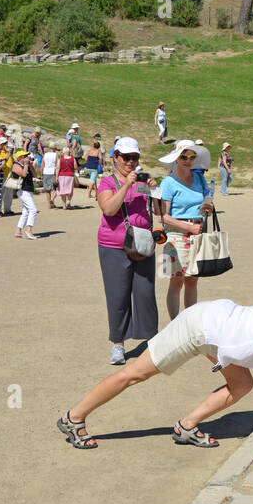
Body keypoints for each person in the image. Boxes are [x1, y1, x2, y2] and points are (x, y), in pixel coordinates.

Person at [57, 285, 253, 468]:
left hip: (218, 329)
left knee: (242, 384)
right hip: (200, 326)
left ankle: (186, 427)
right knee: (134, 374)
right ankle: (74, 418)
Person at [96, 137, 160, 366]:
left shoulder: (142, 182)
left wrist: (154, 190)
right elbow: (109, 208)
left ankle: (153, 341)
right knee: (118, 295)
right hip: (113, 246)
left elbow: (159, 210)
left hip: (141, 244)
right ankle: (118, 344)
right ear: (115, 158)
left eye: (135, 158)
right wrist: (126, 185)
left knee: (145, 292)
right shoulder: (106, 183)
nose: (131, 162)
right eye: (126, 157)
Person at [156, 140, 215, 321]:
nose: (188, 160)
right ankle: (176, 324)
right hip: (176, 235)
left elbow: (206, 201)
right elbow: (163, 217)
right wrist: (188, 227)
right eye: (184, 156)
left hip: (197, 233)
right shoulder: (168, 182)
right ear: (176, 157)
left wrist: (208, 207)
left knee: (193, 280)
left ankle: (189, 323)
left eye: (191, 156)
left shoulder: (199, 178)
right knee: (177, 282)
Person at [10, 145, 38, 239]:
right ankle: (29, 230)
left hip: (28, 190)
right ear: (19, 158)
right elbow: (23, 174)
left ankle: (18, 231)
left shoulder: (26, 165)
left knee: (25, 212)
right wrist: (26, 165)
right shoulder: (16, 165)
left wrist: (30, 165)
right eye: (25, 156)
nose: (27, 158)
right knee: (33, 210)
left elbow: (35, 175)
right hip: (22, 190)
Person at [84, 135, 105, 201]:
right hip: (94, 167)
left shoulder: (89, 150)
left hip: (88, 167)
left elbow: (85, 157)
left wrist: (87, 162)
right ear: (99, 147)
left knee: (93, 180)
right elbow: (101, 158)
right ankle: (89, 194)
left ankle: (96, 193)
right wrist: (101, 164)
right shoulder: (98, 151)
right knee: (92, 181)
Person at [42, 143, 58, 208]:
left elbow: (42, 164)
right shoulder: (56, 155)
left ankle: (49, 205)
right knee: (56, 188)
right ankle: (52, 199)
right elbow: (57, 164)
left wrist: (42, 173)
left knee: (47, 190)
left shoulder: (45, 155)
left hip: (46, 172)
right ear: (55, 148)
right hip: (53, 171)